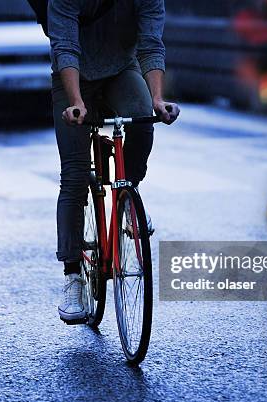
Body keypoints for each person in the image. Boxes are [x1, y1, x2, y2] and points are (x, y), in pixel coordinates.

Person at [48, 0, 180, 323]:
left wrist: (159, 99)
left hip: (121, 69)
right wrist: (76, 101)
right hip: (73, 75)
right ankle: (72, 277)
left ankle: (126, 198)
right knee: (76, 176)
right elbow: (64, 46)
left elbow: (151, 44)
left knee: (142, 117)